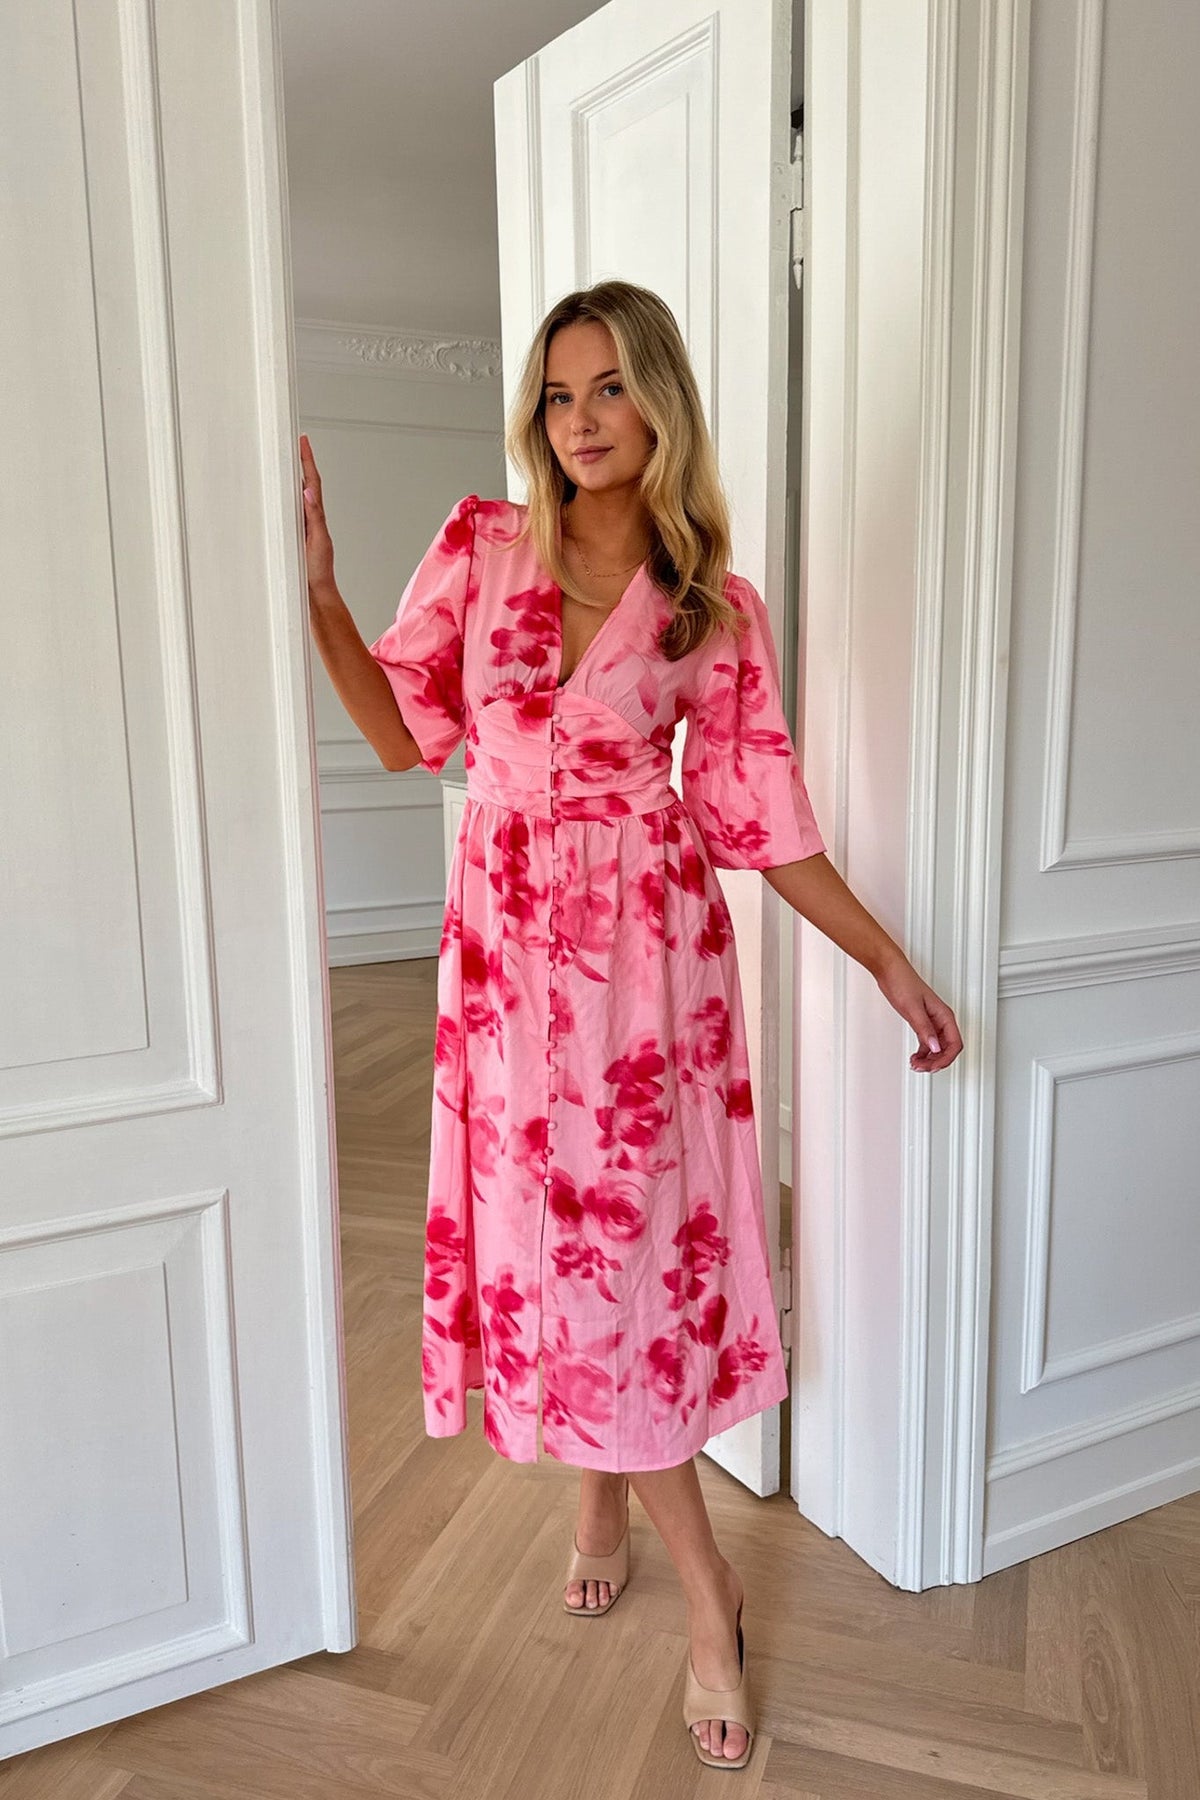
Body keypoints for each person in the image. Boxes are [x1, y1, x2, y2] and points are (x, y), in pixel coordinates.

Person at [302, 278, 962, 1771]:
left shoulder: (713, 604)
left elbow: (764, 821)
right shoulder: (482, 545)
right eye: (557, 393)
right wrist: (324, 593)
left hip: (644, 969)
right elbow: (405, 734)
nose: (580, 420)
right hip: (501, 959)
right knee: (543, 1253)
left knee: (623, 1263)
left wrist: (886, 963)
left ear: (659, 400)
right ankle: (602, 1492)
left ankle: (710, 1594)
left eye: (608, 388)